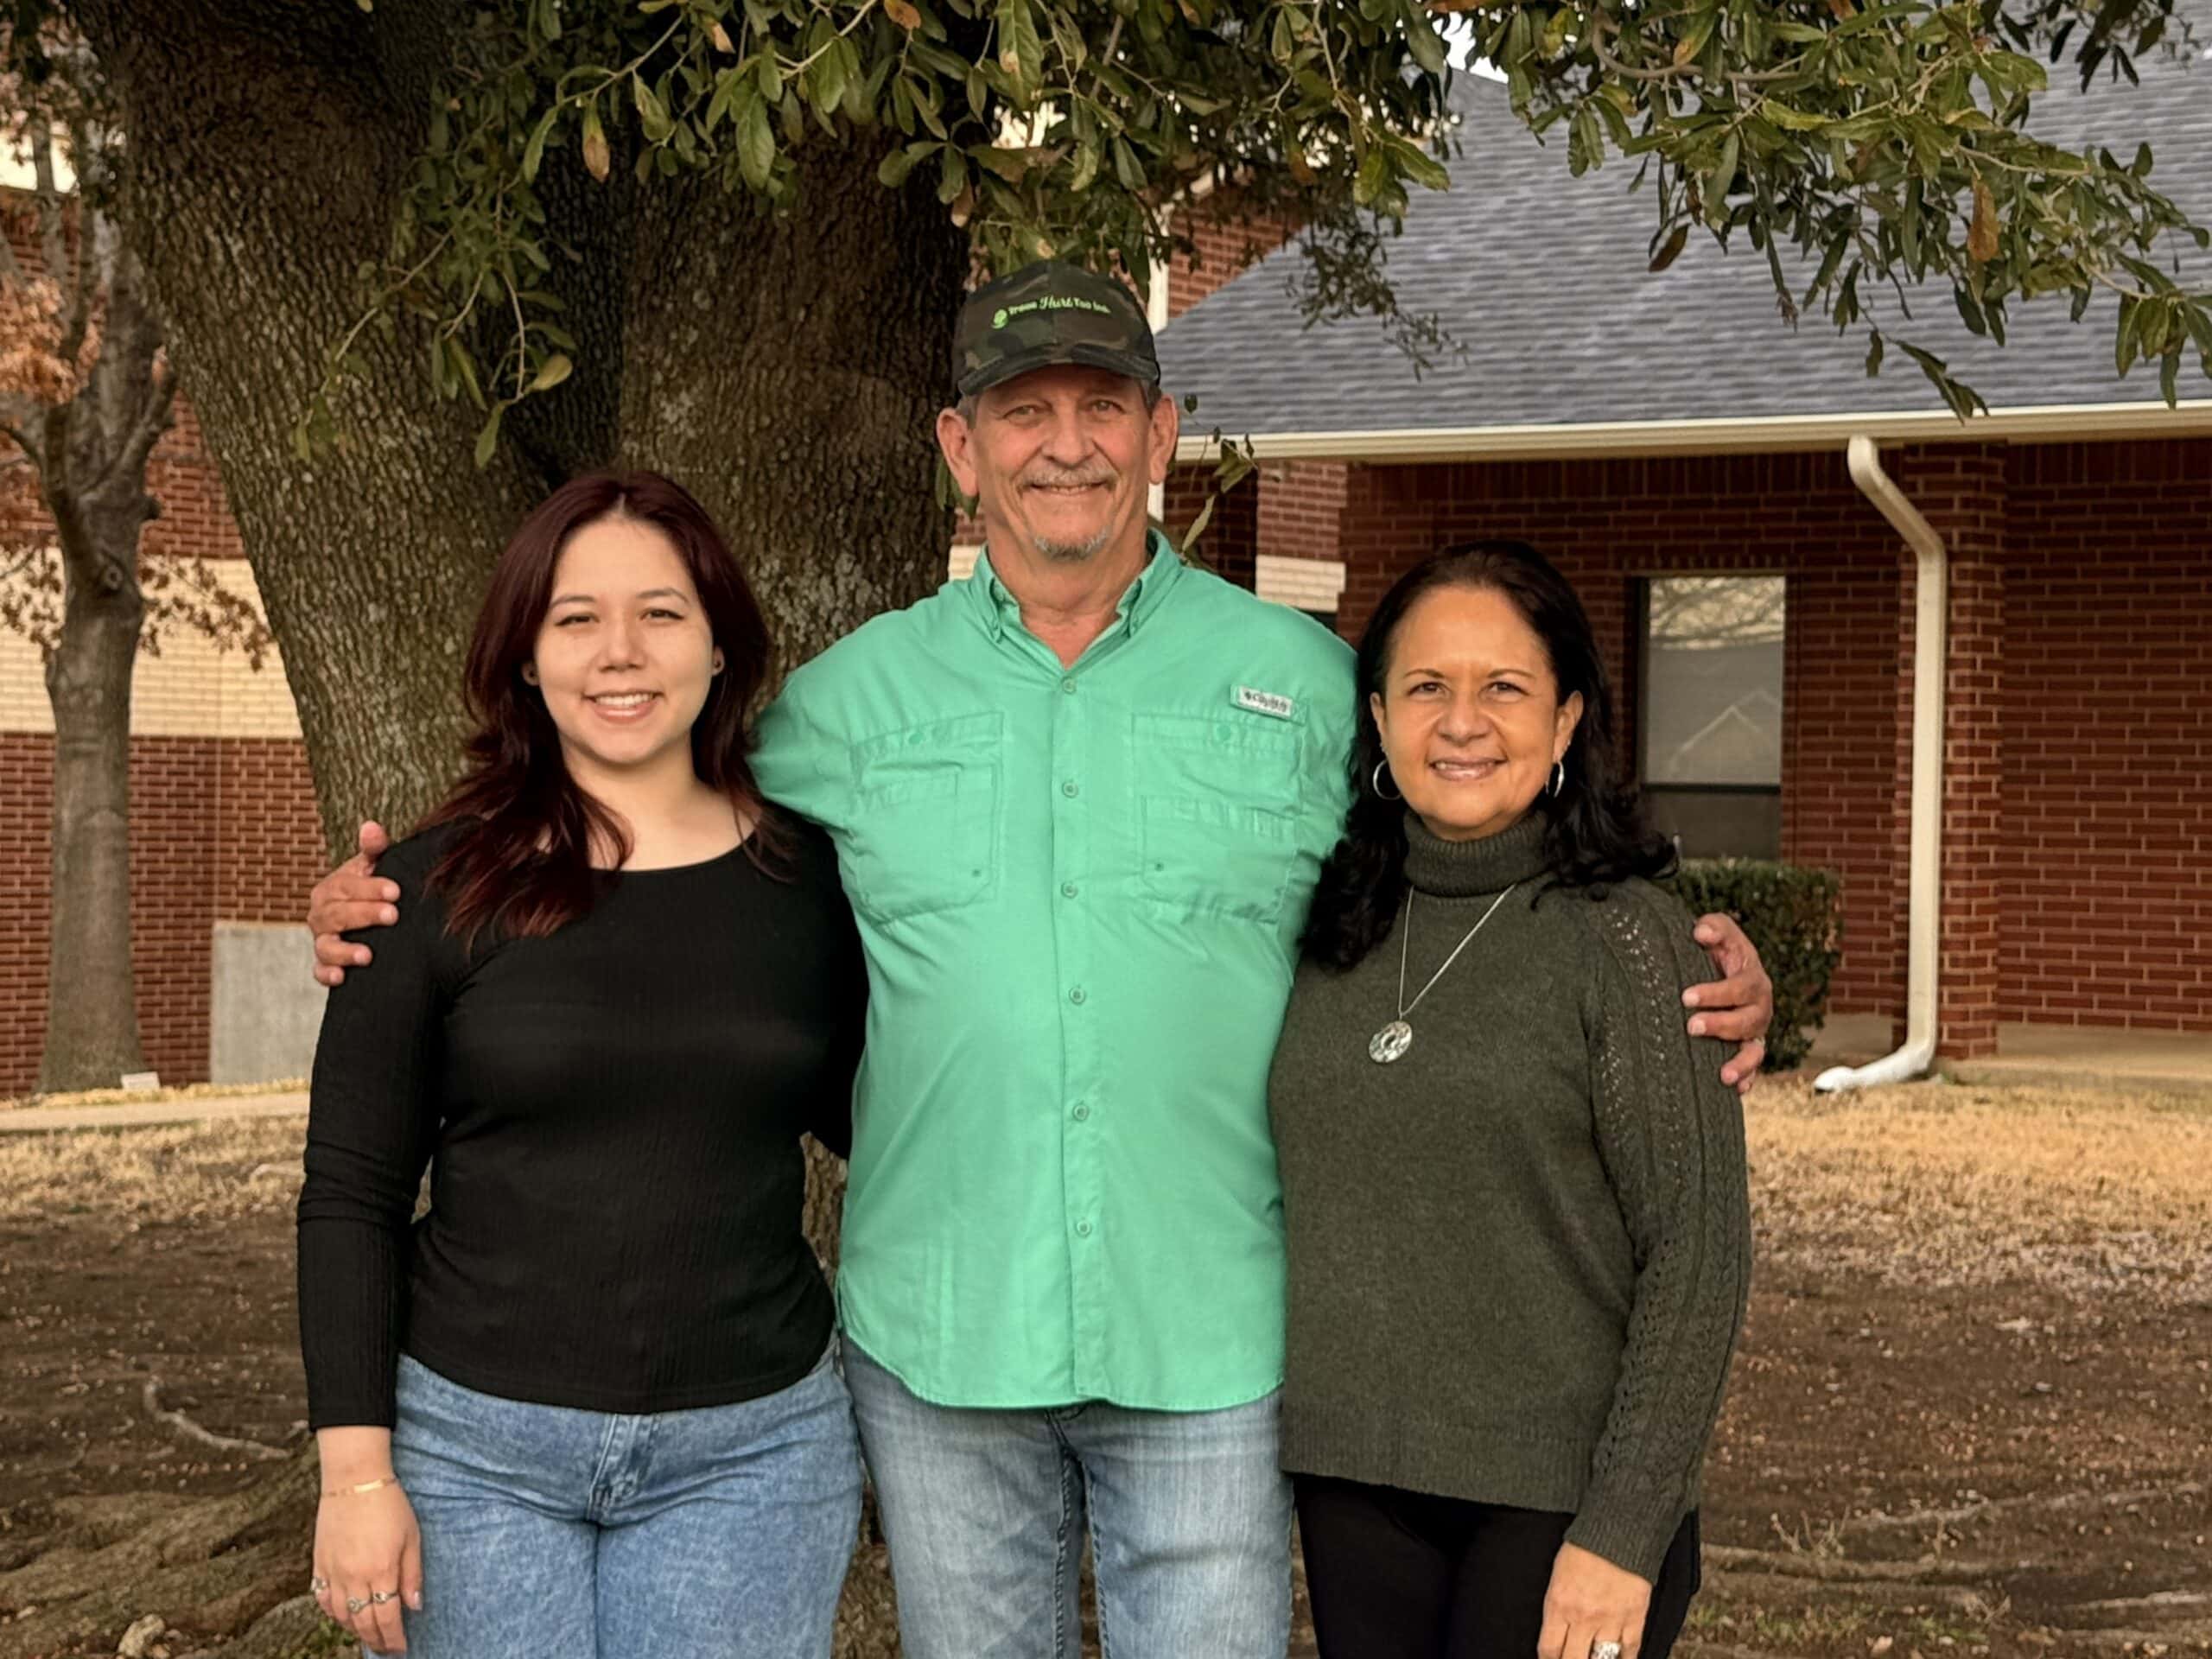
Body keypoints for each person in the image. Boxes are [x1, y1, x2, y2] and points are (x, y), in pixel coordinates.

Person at [308, 265, 1773, 1659]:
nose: (1064, 445)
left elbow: (1488, 826)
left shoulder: (1312, 689)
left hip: (1213, 1330)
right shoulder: (843, 707)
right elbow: (641, 816)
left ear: (1161, 433)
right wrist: (391, 901)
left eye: (1101, 405)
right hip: (942, 1342)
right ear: (960, 444)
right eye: (1023, 409)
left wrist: (1681, 938)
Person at [297, 472, 865, 1657]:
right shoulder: (424, 895)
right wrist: (356, 1479)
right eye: (575, 619)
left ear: (720, 648)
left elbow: (886, 1123)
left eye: (661, 613)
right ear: (525, 659)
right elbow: (350, 1198)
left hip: (753, 1456)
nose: (621, 653)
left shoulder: (817, 889)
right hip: (474, 1459)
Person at [1269, 540, 1753, 1659]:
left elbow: (1699, 1251)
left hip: (1562, 1502)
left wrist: (1625, 1533)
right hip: (1355, 1485)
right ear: (1379, 716)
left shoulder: (1633, 945)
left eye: (1505, 688)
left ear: (1570, 719)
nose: (1462, 722)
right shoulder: (1324, 924)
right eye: (1428, 686)